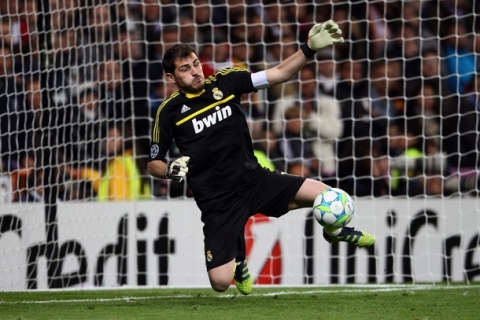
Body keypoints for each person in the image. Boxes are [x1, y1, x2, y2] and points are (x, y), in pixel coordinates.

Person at [147, 20, 375, 296]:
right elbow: (153, 163)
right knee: (220, 283)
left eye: (195, 63)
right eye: (185, 69)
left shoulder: (226, 80)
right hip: (218, 201)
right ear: (171, 78)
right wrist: (170, 169)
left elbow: (279, 73)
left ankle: (334, 231)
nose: (195, 71)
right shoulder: (168, 112)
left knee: (328, 195)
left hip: (253, 179)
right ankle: (239, 258)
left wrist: (309, 48)